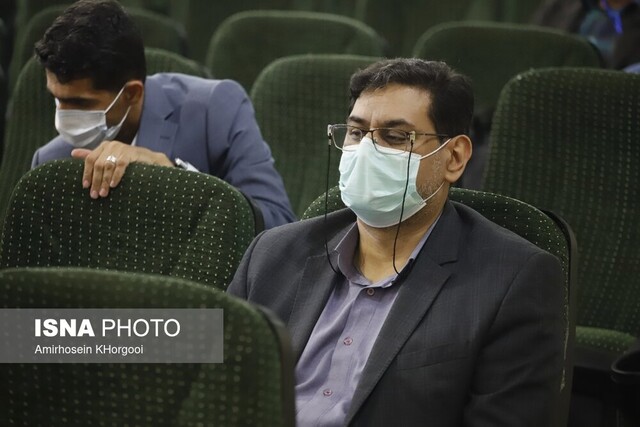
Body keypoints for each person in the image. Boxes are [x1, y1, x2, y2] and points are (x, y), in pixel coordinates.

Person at [228, 58, 565, 426]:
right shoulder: (273, 252)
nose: (367, 151)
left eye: (396, 137)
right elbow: (192, 351)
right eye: (356, 133)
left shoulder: (513, 282)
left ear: (454, 157)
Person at [31, 0, 295, 229]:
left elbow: (277, 224)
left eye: (80, 103)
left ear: (132, 93)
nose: (63, 115)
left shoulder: (215, 110)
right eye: (57, 99)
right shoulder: (51, 161)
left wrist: (175, 179)